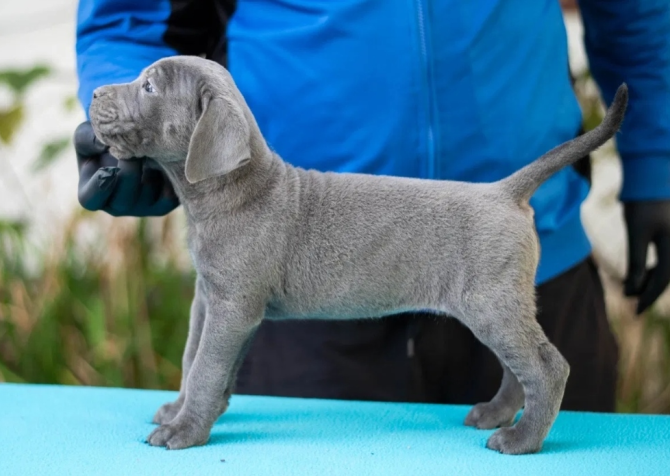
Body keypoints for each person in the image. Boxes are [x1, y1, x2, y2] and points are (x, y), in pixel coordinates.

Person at [74, 0, 670, 413]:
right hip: (298, 275)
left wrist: (658, 155)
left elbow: (637, 9)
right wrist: (138, 127)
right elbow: (127, 16)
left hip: (529, 246)